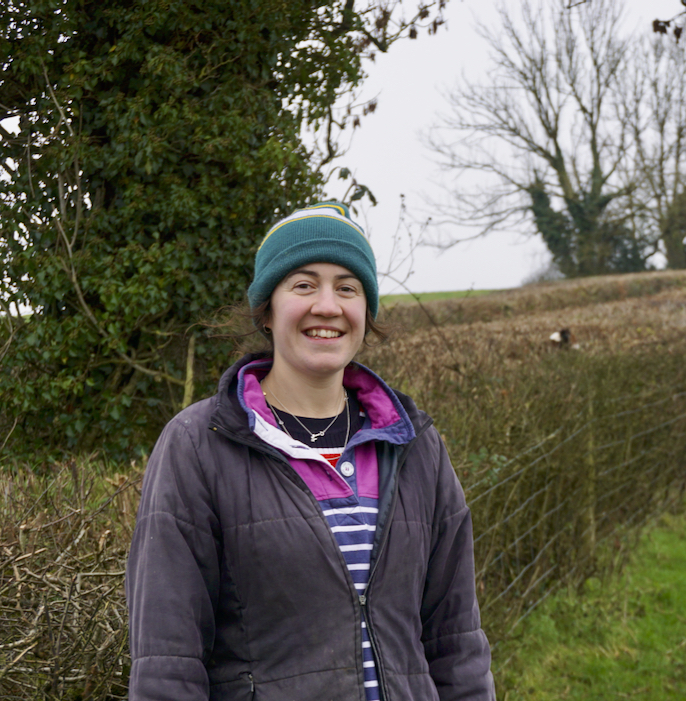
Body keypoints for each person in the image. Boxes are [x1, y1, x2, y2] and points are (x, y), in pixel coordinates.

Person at [126, 201, 494, 701]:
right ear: (267, 309)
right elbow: (168, 661)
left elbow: (456, 643)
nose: (328, 305)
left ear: (366, 311)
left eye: (348, 287)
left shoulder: (415, 443)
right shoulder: (198, 445)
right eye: (303, 284)